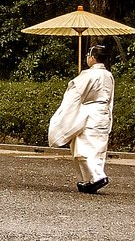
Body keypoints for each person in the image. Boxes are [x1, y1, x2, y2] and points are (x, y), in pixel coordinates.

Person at [48, 44, 115, 194]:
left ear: (92, 58)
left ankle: (97, 177)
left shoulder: (89, 75)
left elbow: (75, 94)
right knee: (97, 148)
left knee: (84, 149)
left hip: (89, 114)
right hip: (103, 114)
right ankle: (89, 179)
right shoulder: (108, 75)